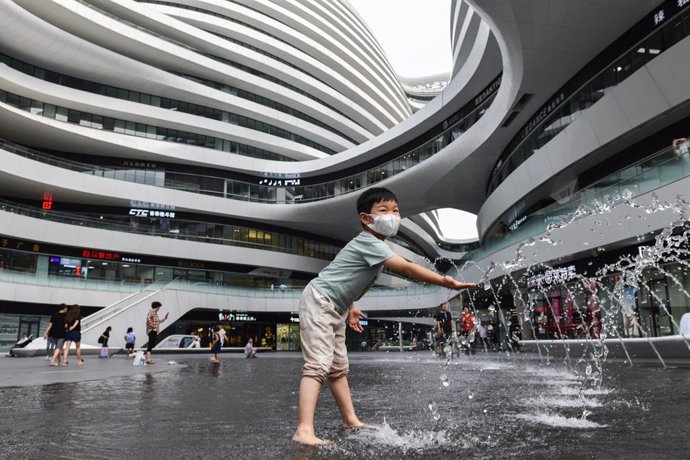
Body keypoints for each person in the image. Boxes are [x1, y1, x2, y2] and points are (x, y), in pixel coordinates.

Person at [292, 187, 477, 445]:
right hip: (320, 302)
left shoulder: (374, 244)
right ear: (366, 218)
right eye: (383, 210)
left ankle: (350, 419)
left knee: (337, 368)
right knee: (317, 366)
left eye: (395, 211)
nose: (392, 215)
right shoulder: (369, 242)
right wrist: (444, 281)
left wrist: (351, 307)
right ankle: (304, 430)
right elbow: (406, 267)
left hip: (335, 306)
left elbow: (344, 275)